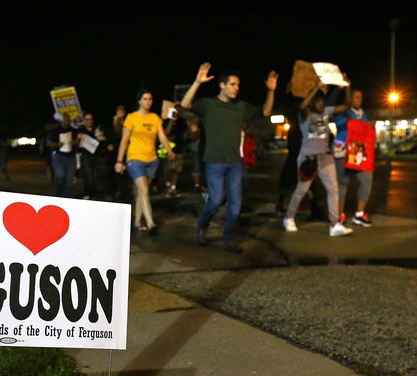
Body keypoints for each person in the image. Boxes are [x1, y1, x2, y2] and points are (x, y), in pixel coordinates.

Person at [180, 62, 278, 253]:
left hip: (235, 162)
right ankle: (202, 224)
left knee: (235, 204)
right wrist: (197, 82)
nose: (236, 88)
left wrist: (271, 91)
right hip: (214, 161)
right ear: (222, 85)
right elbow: (183, 106)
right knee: (216, 200)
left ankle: (229, 239)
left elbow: (265, 112)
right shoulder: (208, 105)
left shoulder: (241, 107)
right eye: (232, 84)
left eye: (238, 85)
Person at [283, 78, 353, 237]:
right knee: (302, 190)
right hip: (308, 158)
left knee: (333, 189)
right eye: (318, 102)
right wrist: (315, 88)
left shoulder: (327, 112)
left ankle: (334, 225)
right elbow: (301, 106)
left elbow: (347, 105)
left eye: (323, 101)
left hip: (325, 157)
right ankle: (289, 218)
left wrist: (346, 88)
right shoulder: (305, 115)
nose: (322, 104)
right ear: (312, 104)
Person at [114, 88, 175, 234]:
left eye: (150, 99)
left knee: (142, 193)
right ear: (139, 101)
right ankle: (151, 223)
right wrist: (119, 160)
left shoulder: (155, 118)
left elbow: (162, 136)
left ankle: (136, 222)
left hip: (152, 160)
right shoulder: (132, 118)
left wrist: (170, 150)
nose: (148, 102)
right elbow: (124, 140)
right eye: (145, 99)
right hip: (135, 159)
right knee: (144, 190)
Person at [333, 89, 373, 227]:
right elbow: (338, 125)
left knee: (366, 179)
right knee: (342, 182)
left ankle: (360, 214)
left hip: (358, 152)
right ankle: (339, 215)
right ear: (349, 98)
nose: (359, 100)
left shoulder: (363, 114)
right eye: (356, 97)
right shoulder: (344, 112)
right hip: (343, 149)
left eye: (360, 97)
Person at [47, 112, 78, 198]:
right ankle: (59, 195)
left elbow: (78, 142)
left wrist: (74, 142)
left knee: (69, 178)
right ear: (62, 120)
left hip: (71, 157)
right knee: (60, 176)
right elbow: (48, 142)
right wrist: (57, 144)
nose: (67, 120)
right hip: (59, 157)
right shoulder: (56, 131)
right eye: (65, 119)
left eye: (68, 119)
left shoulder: (73, 130)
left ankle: (66, 197)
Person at [104, 104, 131, 202]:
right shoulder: (112, 124)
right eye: (119, 110)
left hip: (124, 153)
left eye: (122, 110)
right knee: (112, 175)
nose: (121, 112)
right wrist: (108, 144)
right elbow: (110, 135)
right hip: (113, 154)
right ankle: (113, 195)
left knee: (123, 177)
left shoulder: (128, 123)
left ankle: (124, 197)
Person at [76, 112, 105, 199]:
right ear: (84, 121)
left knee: (94, 175)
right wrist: (78, 138)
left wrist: (102, 139)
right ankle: (87, 193)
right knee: (88, 175)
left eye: (90, 119)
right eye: (87, 119)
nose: (89, 121)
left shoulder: (96, 130)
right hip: (85, 156)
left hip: (95, 156)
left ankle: (93, 193)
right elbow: (76, 144)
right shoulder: (81, 130)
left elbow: (100, 143)